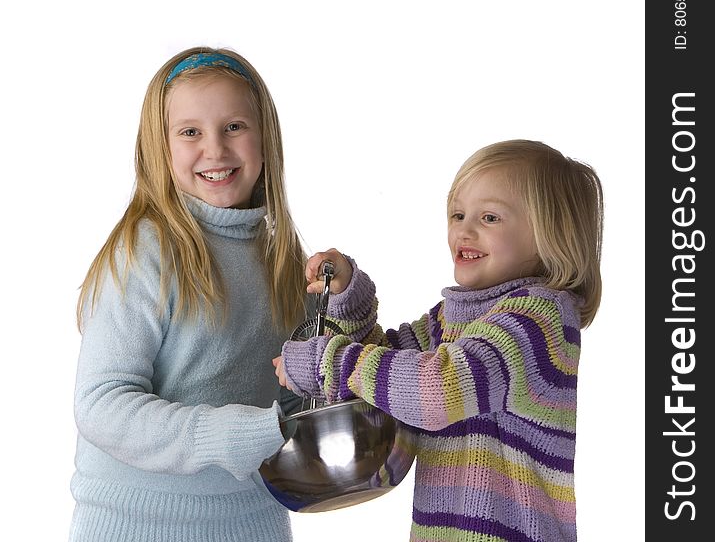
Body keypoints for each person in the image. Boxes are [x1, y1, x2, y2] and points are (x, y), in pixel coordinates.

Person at [274, 139, 603, 542]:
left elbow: (436, 390)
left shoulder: (539, 319)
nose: (464, 230)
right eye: (458, 214)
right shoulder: (451, 318)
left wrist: (328, 363)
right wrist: (348, 299)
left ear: (552, 235)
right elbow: (387, 372)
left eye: (489, 218)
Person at [70, 47, 307, 542]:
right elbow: (102, 404)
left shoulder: (279, 256)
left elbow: (291, 396)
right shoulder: (145, 251)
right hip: (137, 523)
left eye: (235, 127)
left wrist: (343, 305)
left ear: (266, 137)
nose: (215, 150)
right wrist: (231, 434)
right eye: (191, 132)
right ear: (161, 146)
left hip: (253, 520)